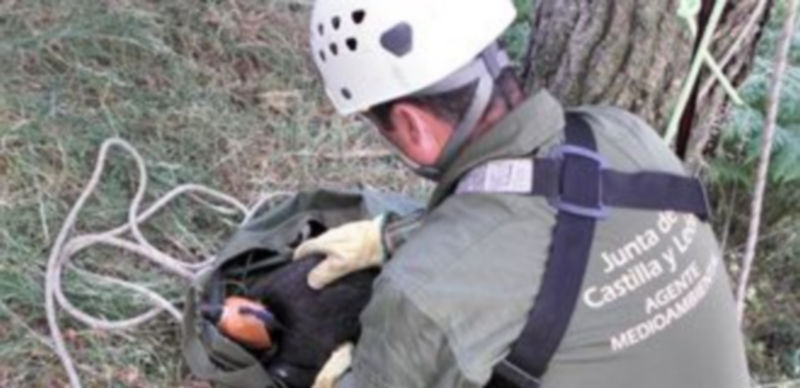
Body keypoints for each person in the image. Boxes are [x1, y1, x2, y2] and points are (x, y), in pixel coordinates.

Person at [293, 0, 752, 387]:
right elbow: (546, 213)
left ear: (411, 125)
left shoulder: (419, 299)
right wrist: (391, 237)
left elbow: (492, 255)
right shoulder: (625, 133)